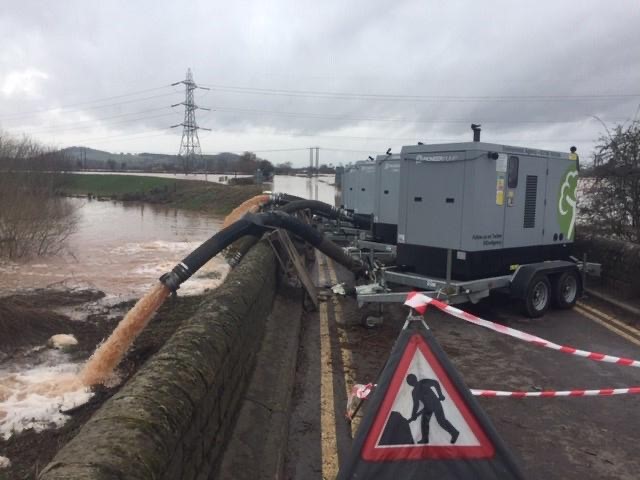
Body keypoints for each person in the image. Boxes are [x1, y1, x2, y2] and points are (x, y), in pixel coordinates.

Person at [406, 373, 459, 444]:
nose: (412, 383)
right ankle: (425, 439)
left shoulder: (424, 382)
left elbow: (435, 383)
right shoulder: (414, 392)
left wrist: (440, 394)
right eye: (411, 382)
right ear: (410, 384)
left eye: (412, 381)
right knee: (424, 422)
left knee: (441, 421)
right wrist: (414, 414)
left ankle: (454, 433)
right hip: (427, 407)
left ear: (415, 378)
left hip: (435, 403)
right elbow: (416, 404)